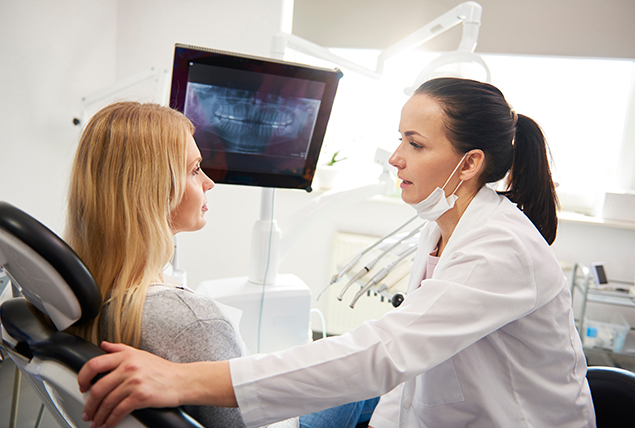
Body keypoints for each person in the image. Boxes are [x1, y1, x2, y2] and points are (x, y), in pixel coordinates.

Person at [77, 78, 595, 428]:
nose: (395, 158)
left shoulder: (502, 247)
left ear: (470, 162)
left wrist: (180, 378)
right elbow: (402, 374)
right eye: (400, 140)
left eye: (415, 144)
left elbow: (387, 353)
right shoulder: (439, 229)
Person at [65, 101, 298, 428]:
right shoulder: (190, 322)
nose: (208, 183)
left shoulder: (85, 294)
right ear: (151, 190)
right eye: (193, 169)